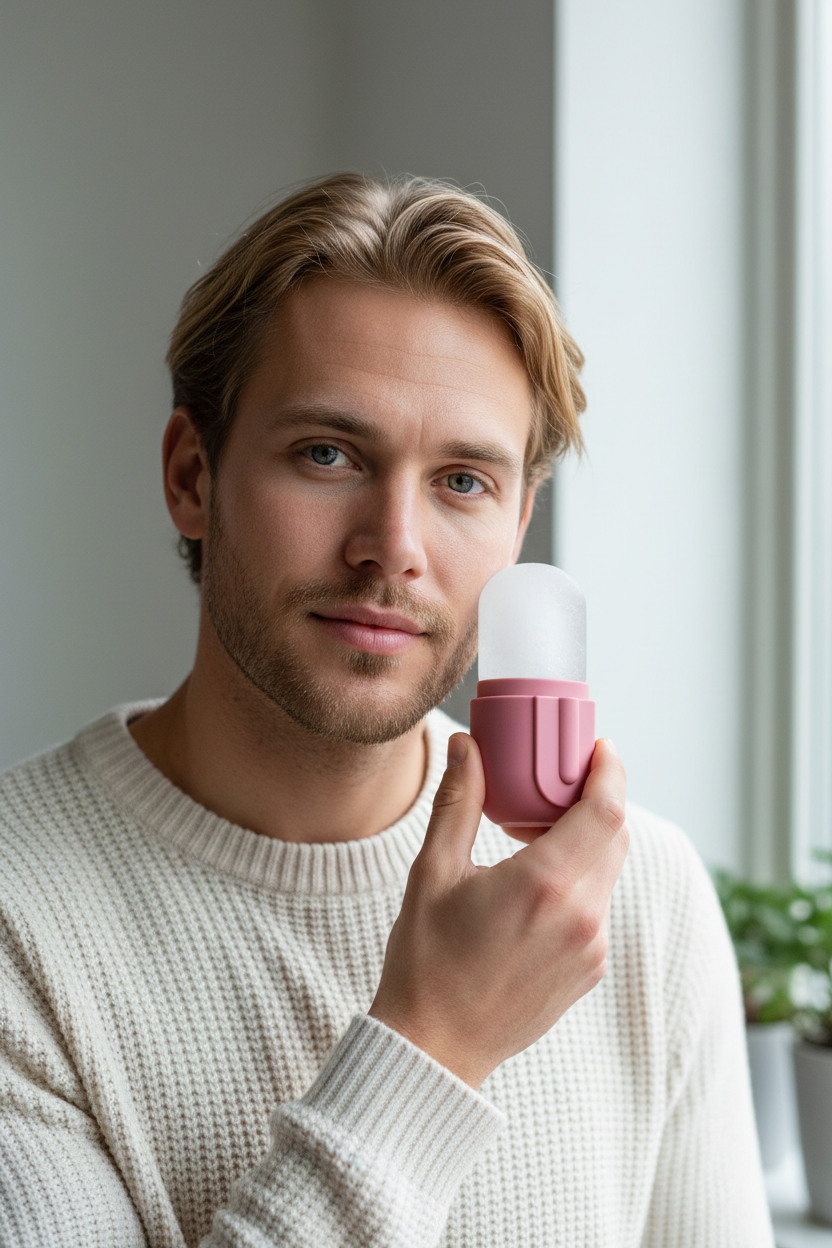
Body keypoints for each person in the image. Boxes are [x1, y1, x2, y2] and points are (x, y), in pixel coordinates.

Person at [0, 173, 773, 1247]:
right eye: (328, 455)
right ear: (191, 476)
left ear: (517, 527)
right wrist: (433, 1043)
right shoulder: (18, 920)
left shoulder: (630, 900)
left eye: (462, 481)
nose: (393, 548)